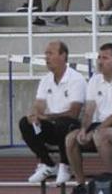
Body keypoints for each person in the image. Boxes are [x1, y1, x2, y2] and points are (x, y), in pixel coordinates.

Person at [64, 43, 112, 194]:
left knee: (100, 136)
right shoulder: (95, 80)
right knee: (70, 139)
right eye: (99, 57)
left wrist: (94, 132)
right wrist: (84, 129)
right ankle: (81, 185)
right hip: (102, 124)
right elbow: (89, 112)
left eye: (105, 58)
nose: (100, 61)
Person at [20, 42, 86, 185]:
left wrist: (47, 117)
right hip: (52, 127)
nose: (46, 57)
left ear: (63, 56)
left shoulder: (76, 79)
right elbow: (39, 105)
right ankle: (48, 164)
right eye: (46, 54)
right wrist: (35, 116)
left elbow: (74, 113)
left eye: (50, 53)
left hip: (72, 128)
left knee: (63, 123)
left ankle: (65, 165)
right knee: (25, 123)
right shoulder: (45, 80)